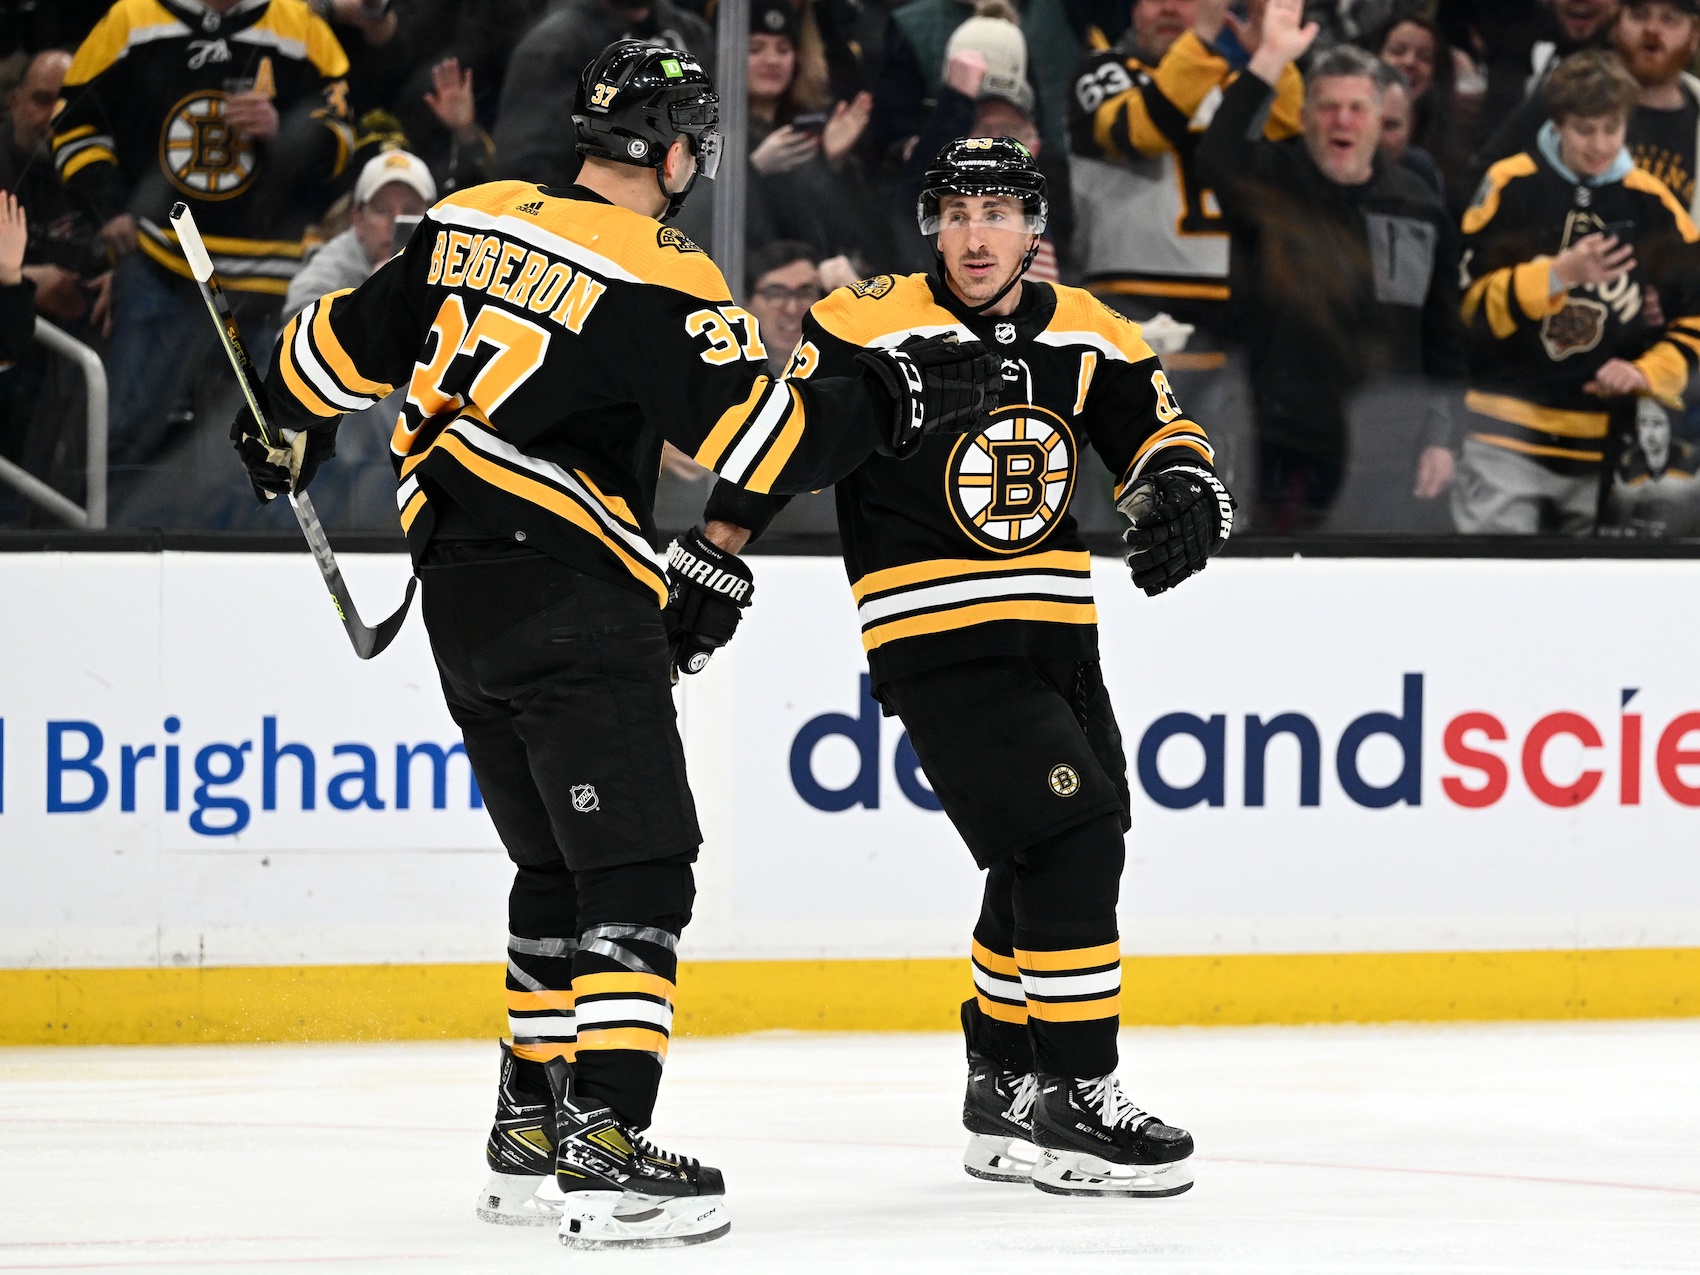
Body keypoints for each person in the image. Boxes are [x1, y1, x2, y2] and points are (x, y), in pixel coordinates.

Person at [232, 41, 998, 1249]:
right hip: (571, 603)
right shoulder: (659, 267)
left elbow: (325, 354)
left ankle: (527, 1134)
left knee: (555, 871)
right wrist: (883, 401)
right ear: (679, 149)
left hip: (458, 605)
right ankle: (605, 1142)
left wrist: (271, 421)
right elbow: (756, 442)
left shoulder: (464, 216)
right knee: (640, 871)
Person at [704, 137, 1231, 1198]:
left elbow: (1155, 431)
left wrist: (1187, 488)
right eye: (954, 212)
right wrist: (712, 548)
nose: (975, 234)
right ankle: (1077, 1098)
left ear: (1034, 227)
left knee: (1061, 843)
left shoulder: (1087, 330)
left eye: (997, 212)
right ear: (927, 225)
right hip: (933, 634)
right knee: (1069, 834)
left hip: (1055, 635)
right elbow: (787, 439)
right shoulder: (864, 321)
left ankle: (1001, 1083)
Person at [49, 0, 356, 503]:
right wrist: (109, 209)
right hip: (164, 268)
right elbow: (74, 123)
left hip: (269, 284)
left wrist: (286, 133)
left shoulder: (302, 31)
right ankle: (98, 560)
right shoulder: (132, 21)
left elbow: (345, 143)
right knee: (121, 432)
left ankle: (246, 572)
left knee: (266, 454)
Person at [1197, 4, 1468, 531]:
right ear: (1303, 116)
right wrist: (1272, 58)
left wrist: (1444, 436)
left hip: (1388, 450)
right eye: (1327, 107)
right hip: (1279, 446)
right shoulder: (1272, 180)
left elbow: (1444, 336)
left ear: (1381, 119)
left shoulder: (1417, 206)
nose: (1342, 120)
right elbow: (1217, 155)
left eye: (1357, 108)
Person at [1454, 49, 1700, 535]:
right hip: (1505, 437)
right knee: (1493, 594)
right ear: (1558, 123)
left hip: (1604, 449)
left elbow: (1695, 317)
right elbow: (1466, 310)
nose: (1599, 144)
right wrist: (1555, 276)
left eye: (1612, 128)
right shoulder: (1510, 184)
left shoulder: (1654, 202)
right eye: (1584, 130)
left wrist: (1645, 372)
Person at [1068, 0, 1303, 480]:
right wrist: (1205, 39)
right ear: (1132, 11)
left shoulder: (1232, 83)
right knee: (1113, 478)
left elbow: (1291, 133)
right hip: (1124, 315)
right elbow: (1140, 130)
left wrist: (1272, 57)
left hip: (1230, 321)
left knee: (1217, 483)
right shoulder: (1102, 71)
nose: (1171, 8)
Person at [1473, 1, 1700, 216]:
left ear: (1695, 35)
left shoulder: (1695, 111)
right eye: (1638, 15)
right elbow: (1481, 183)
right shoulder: (1569, 94)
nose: (1652, 29)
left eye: (1669, 19)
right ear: (1616, 24)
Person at [491, 0, 712, 191]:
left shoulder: (692, 32)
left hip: (687, 217)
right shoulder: (555, 48)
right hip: (597, 223)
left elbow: (720, 134)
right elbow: (528, 172)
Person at [745, 0, 880, 262]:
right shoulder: (712, 128)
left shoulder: (810, 125)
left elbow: (848, 229)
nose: (772, 60)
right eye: (755, 49)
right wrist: (753, 170)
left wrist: (830, 161)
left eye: (784, 49)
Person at [286, 149, 437, 316]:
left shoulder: (451, 264)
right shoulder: (326, 274)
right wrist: (370, 297)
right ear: (357, 218)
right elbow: (296, 334)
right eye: (382, 209)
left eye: (411, 211)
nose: (395, 222)